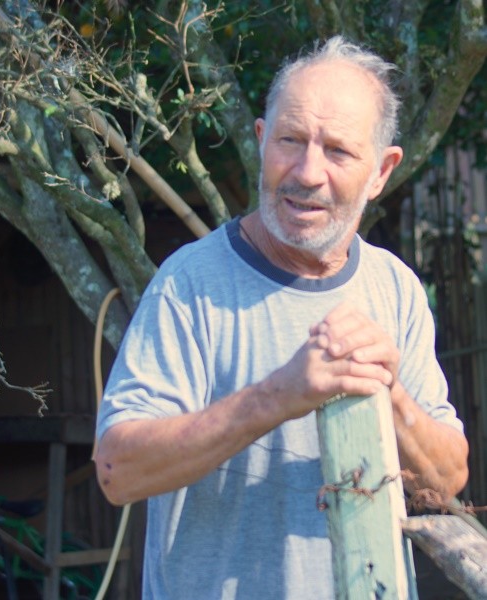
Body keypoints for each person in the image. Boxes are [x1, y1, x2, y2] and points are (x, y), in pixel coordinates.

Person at [94, 35, 469, 599]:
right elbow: (118, 472)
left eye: (338, 151)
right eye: (290, 140)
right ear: (262, 141)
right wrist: (279, 395)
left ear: (381, 172)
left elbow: (447, 482)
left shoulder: (396, 288)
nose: (307, 172)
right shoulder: (189, 285)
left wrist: (389, 395)